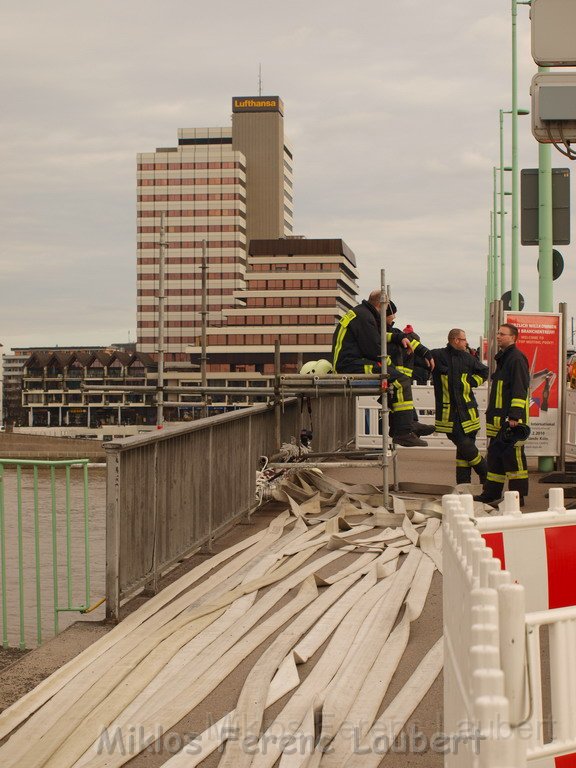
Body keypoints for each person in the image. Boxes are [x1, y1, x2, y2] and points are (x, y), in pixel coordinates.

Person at [332, 290, 434, 447]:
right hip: (350, 366)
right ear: (380, 305)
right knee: (400, 380)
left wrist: (398, 338)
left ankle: (407, 425)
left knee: (397, 379)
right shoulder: (364, 317)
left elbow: (381, 336)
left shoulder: (363, 313)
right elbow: (374, 348)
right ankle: (403, 432)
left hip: (352, 362)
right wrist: (391, 366)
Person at [474, 323, 530, 506]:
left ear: (513, 337)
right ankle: (491, 494)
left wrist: (514, 416)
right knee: (495, 458)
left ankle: (516, 497)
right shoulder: (505, 358)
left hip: (510, 421)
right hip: (498, 419)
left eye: (502, 334)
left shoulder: (516, 358)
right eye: (497, 333)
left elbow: (519, 389)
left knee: (514, 460)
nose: (498, 336)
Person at [431, 328, 489, 485]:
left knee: (464, 453)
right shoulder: (438, 355)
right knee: (465, 446)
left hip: (468, 414)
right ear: (455, 340)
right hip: (450, 415)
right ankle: (485, 472)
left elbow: (485, 372)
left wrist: (471, 382)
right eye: (464, 339)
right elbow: (421, 358)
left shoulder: (468, 358)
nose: (466, 342)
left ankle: (464, 487)